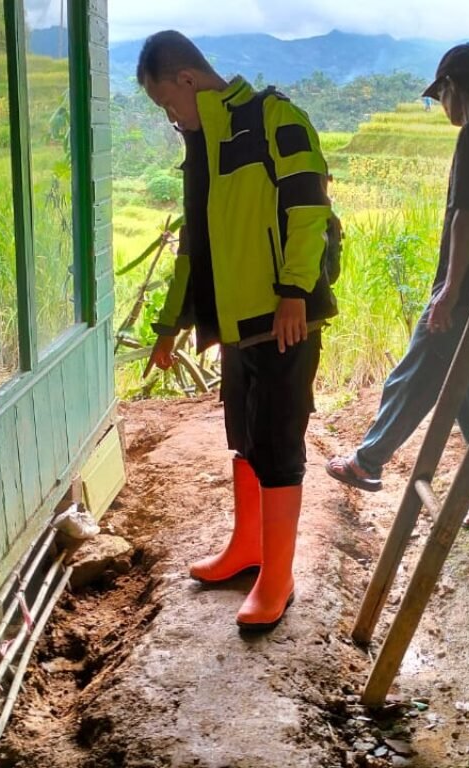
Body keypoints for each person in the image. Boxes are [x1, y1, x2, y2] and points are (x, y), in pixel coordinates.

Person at [137, 31, 336, 630]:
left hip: (283, 317)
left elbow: (308, 206)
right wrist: (170, 324)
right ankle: (247, 548)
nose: (171, 117)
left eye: (168, 103)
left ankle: (279, 576)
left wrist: (295, 291)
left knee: (277, 444)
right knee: (244, 438)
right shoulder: (201, 145)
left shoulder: (272, 119)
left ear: (187, 80)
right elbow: (193, 244)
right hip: (235, 326)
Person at [326, 43, 469, 530]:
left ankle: (367, 462)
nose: (442, 108)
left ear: (451, 88)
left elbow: (467, 217)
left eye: (440, 96)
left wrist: (450, 290)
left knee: (415, 373)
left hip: (468, 291)